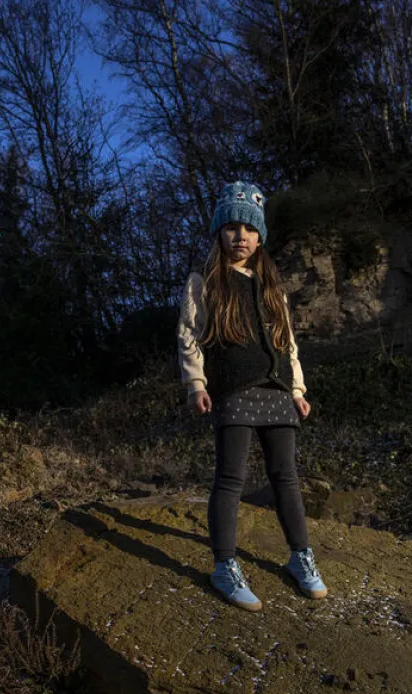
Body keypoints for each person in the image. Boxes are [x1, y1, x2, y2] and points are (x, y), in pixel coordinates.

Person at [176, 181, 328, 611]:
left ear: (260, 236)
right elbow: (189, 336)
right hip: (233, 389)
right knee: (231, 478)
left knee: (286, 476)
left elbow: (288, 343)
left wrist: (297, 389)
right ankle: (224, 565)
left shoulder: (272, 287)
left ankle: (300, 556)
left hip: (277, 390)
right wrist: (196, 384)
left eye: (249, 228)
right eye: (231, 227)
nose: (240, 236)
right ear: (219, 232)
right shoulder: (204, 282)